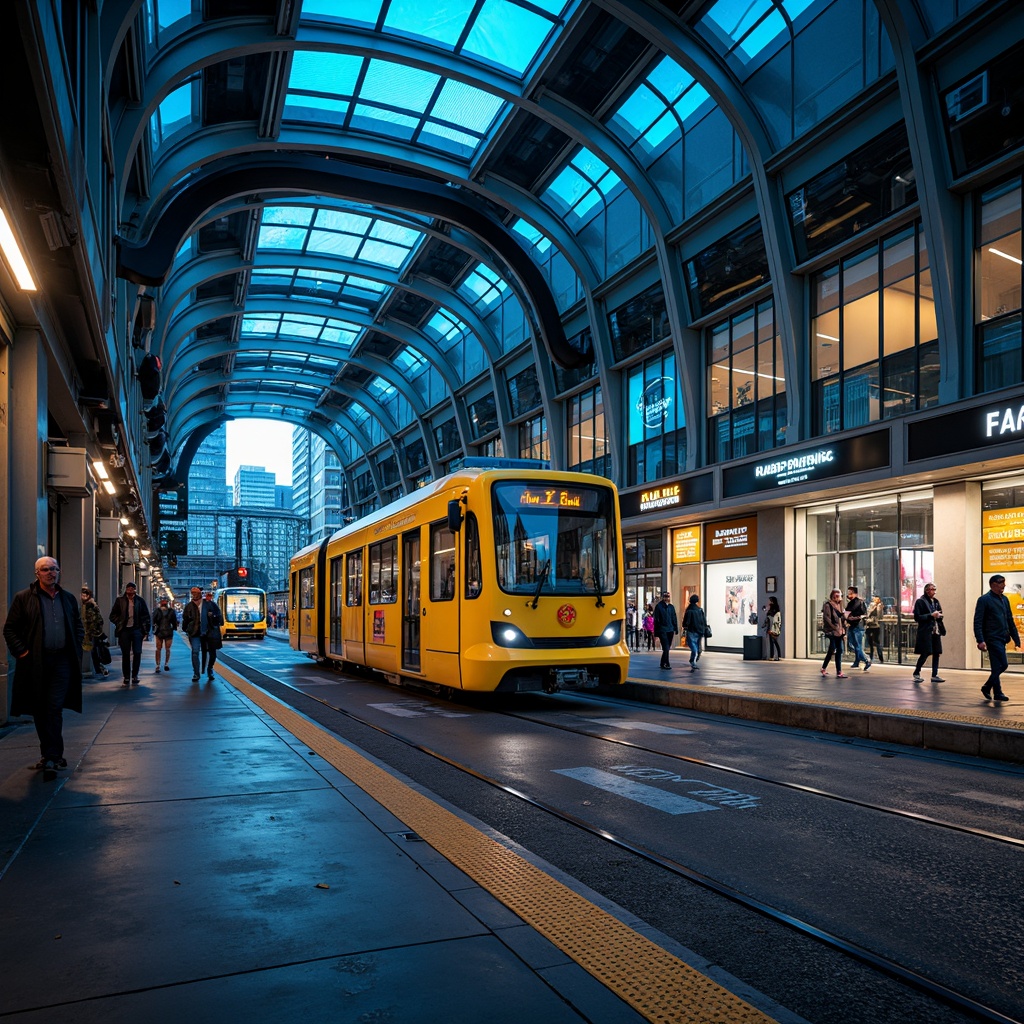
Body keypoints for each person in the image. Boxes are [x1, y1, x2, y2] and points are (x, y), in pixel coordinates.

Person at [3, 557, 84, 781]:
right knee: (40, 709)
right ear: (37, 573)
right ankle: (50, 754)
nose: (51, 573)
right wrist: (22, 653)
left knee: (54, 707)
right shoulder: (24, 598)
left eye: (55, 569)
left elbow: (78, 625)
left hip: (62, 662)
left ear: (59, 572)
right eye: (46, 570)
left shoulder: (67, 599)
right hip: (36, 663)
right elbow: (10, 629)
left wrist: (76, 646)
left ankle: (52, 755)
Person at [974, 574, 1021, 702]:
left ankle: (997, 692)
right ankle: (988, 686)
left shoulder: (1005, 599)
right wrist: (980, 640)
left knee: (996, 667)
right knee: (1003, 664)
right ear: (994, 584)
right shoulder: (984, 600)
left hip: (1002, 637)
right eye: (1001, 583)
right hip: (992, 638)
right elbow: (978, 621)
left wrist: (1016, 638)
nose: (1004, 586)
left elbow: (1010, 620)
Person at [109, 581, 151, 687]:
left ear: (135, 590)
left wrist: (145, 630)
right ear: (126, 590)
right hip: (124, 630)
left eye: (132, 588)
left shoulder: (140, 601)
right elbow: (112, 615)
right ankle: (126, 677)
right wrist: (119, 622)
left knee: (137, 652)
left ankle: (135, 675)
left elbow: (146, 616)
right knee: (126, 654)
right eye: (128, 588)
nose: (130, 590)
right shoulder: (120, 601)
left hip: (137, 629)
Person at [912, 582, 946, 682]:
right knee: (925, 652)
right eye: (932, 590)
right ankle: (917, 672)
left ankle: (934, 674)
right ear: (927, 590)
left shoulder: (935, 601)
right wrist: (931, 615)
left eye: (935, 589)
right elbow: (917, 617)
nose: (934, 592)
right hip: (926, 631)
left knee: (937, 652)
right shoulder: (920, 601)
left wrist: (939, 616)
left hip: (936, 630)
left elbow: (939, 612)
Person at [80, 586, 109, 678]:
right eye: (82, 595)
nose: (83, 597)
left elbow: (95, 620)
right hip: (91, 632)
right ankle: (98, 668)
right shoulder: (87, 605)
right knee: (93, 651)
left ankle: (97, 668)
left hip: (92, 633)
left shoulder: (90, 606)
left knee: (93, 652)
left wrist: (92, 631)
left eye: (85, 595)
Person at [820, 589, 848, 678]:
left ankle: (834, 670)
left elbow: (843, 617)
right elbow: (827, 618)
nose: (839, 597)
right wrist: (834, 628)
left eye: (839, 596)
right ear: (833, 596)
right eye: (837, 596)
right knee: (833, 649)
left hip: (839, 631)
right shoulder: (828, 605)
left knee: (838, 650)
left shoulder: (840, 605)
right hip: (832, 631)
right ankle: (835, 670)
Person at [845, 586, 870, 670]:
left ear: (855, 593)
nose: (849, 595)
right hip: (853, 625)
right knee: (853, 644)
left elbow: (861, 614)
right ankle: (857, 661)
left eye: (850, 593)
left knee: (856, 645)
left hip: (858, 626)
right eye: (848, 593)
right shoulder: (851, 602)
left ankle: (865, 659)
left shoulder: (859, 602)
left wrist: (849, 616)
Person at [151, 596, 178, 672]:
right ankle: (158, 664)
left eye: (165, 601)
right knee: (158, 648)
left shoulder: (170, 611)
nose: (163, 603)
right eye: (162, 601)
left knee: (167, 648)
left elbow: (174, 621)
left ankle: (166, 664)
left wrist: (174, 627)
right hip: (160, 632)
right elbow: (153, 620)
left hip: (167, 631)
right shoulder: (158, 611)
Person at [653, 591, 678, 670]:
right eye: (665, 596)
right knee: (666, 647)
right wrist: (656, 632)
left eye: (668, 596)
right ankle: (666, 663)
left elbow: (674, 618)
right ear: (662, 597)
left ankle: (662, 662)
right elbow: (656, 619)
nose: (666, 598)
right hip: (662, 630)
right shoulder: (659, 606)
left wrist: (675, 628)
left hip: (670, 629)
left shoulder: (671, 607)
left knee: (667, 648)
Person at [681, 594, 707, 672]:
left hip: (691, 631)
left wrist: (685, 626)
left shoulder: (689, 610)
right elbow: (704, 621)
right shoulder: (700, 610)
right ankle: (693, 660)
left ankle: (693, 661)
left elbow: (685, 623)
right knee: (698, 648)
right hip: (699, 631)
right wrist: (704, 629)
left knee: (694, 648)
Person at [864, 596, 884, 664]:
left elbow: (880, 616)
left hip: (876, 626)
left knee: (877, 642)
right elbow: (868, 613)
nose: (875, 600)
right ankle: (871, 656)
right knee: (870, 642)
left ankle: (880, 657)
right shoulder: (871, 605)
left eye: (877, 598)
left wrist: (879, 607)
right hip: (869, 625)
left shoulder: (879, 606)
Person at [764, 596, 781, 661]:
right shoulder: (771, 609)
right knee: (771, 642)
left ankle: (776, 656)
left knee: (774, 642)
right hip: (770, 627)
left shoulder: (775, 611)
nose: (768, 602)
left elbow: (775, 619)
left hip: (773, 628)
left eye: (769, 600)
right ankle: (770, 655)